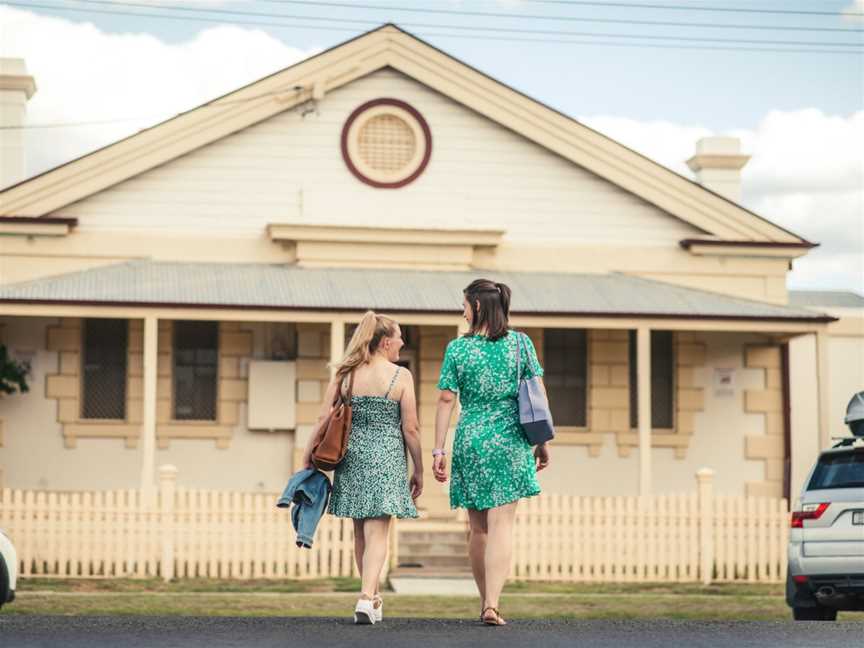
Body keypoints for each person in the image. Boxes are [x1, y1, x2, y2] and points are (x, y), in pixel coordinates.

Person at [433, 279, 551, 626]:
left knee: (478, 527)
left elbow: (445, 399)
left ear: (478, 307)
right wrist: (542, 441)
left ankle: (485, 600)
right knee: (503, 524)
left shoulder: (458, 349)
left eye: (465, 304)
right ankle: (493, 605)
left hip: (471, 440)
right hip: (510, 440)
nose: (463, 310)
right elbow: (537, 394)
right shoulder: (521, 345)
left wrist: (439, 449)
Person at [301, 311, 423, 625]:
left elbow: (323, 417)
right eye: (398, 336)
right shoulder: (401, 376)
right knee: (378, 533)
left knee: (361, 533)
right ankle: (367, 597)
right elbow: (410, 428)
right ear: (385, 343)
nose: (402, 342)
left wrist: (306, 456)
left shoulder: (346, 374)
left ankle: (373, 595)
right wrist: (419, 469)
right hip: (386, 458)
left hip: (351, 457)